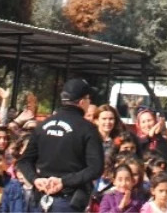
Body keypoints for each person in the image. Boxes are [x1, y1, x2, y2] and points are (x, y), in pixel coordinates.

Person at [16, 79, 103, 213]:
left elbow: (24, 161)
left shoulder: (43, 125)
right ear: (82, 102)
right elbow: (96, 168)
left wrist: (35, 179)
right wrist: (64, 181)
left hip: (41, 199)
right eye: (88, 98)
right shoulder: (88, 129)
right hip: (69, 200)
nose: (89, 102)